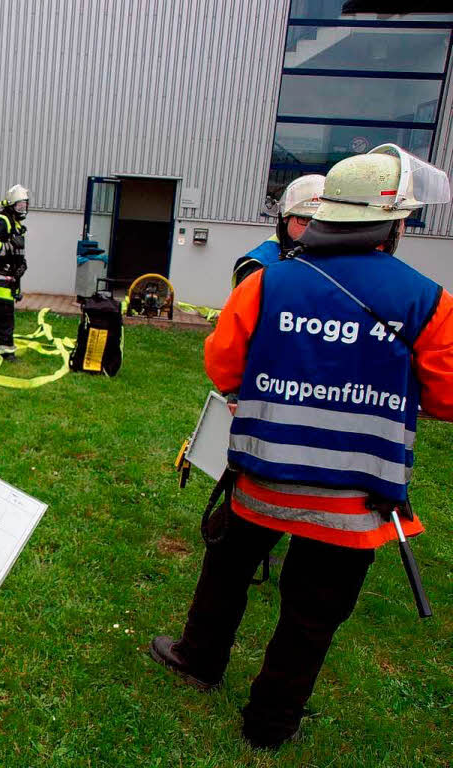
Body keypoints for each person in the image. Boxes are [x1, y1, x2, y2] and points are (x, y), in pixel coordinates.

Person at [150, 144, 453, 749]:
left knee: (226, 571)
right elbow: (446, 399)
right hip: (354, 502)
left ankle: (200, 658)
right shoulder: (429, 301)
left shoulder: (267, 283)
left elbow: (221, 365)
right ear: (393, 224)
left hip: (261, 482)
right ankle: (270, 723)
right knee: (312, 616)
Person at [231, 174, 325, 288]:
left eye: (320, 220)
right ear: (285, 219)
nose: (312, 227)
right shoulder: (259, 266)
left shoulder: (336, 258)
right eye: (304, 219)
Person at [0, 184, 29, 360]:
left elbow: (17, 250)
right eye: (19, 205)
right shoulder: (3, 220)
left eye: (24, 205)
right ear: (11, 205)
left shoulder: (14, 223)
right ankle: (7, 351)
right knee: (6, 316)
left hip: (7, 277)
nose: (22, 209)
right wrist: (10, 247)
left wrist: (22, 263)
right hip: (0, 276)